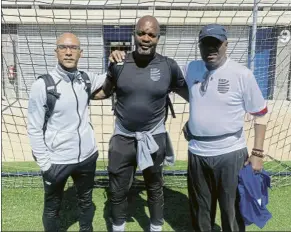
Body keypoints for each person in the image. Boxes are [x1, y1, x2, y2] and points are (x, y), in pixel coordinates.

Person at [94, 15, 188, 232]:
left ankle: (155, 228)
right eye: (141, 33)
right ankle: (118, 227)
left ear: (158, 38)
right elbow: (105, 92)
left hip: (154, 137)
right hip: (123, 137)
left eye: (152, 34)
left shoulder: (169, 66)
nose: (146, 38)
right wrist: (80, 94)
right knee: (117, 191)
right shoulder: (118, 64)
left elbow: (190, 95)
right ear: (134, 35)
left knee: (155, 188)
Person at [183, 24, 269, 231]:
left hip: (230, 154)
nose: (211, 49)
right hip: (197, 153)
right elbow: (194, 96)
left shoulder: (242, 74)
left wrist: (257, 153)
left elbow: (261, 114)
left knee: (232, 212)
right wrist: (194, 120)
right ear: (199, 46)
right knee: (200, 212)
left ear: (226, 45)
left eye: (216, 44)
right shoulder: (191, 68)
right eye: (206, 44)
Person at [27, 33, 106, 232]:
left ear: (81, 53)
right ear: (56, 52)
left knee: (86, 202)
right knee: (52, 208)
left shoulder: (86, 79)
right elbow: (34, 127)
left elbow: (110, 76)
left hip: (87, 156)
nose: (68, 52)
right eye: (63, 47)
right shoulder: (42, 85)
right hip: (57, 160)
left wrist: (120, 60)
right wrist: (45, 164)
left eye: (73, 48)